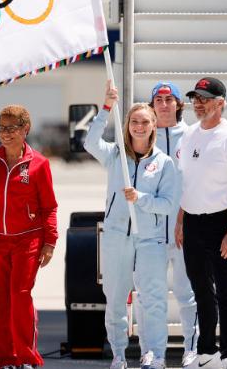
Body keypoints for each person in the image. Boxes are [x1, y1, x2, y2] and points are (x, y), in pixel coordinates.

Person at [84, 80, 180, 369]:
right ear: (127, 125)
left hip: (149, 240)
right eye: (134, 121)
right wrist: (106, 107)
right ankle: (119, 354)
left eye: (144, 122)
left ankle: (154, 354)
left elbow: (167, 205)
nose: (139, 126)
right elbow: (90, 142)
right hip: (116, 237)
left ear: (153, 125)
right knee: (114, 300)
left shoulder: (163, 163)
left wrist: (140, 199)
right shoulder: (115, 155)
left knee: (152, 300)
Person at [0, 105, 58, 369]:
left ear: (25, 130)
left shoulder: (39, 164)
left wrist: (50, 242)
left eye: (12, 128)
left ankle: (27, 358)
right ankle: (7, 360)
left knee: (20, 295)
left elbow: (49, 206)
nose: (5, 134)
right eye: (1, 128)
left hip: (27, 240)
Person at [174, 77, 227, 369]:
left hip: (223, 222)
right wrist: (181, 221)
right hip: (193, 221)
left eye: (205, 98)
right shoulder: (189, 135)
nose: (199, 103)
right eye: (196, 98)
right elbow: (187, 183)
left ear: (221, 103)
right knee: (201, 290)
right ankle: (207, 352)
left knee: (224, 289)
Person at [147, 81, 199, 368]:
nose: (164, 104)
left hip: (185, 232)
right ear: (152, 104)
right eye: (159, 99)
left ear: (179, 104)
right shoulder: (143, 136)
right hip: (153, 234)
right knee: (150, 298)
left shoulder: (193, 136)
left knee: (187, 294)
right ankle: (155, 353)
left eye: (170, 99)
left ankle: (191, 349)